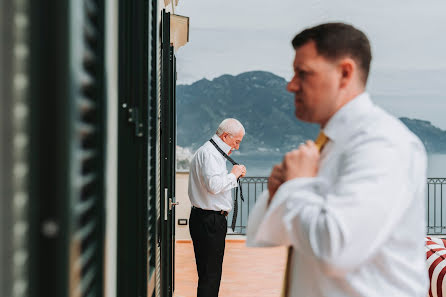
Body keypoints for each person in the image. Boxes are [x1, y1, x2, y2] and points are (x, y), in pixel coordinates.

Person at [246, 22, 428, 297]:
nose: (290, 85)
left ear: (345, 73)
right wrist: (278, 194)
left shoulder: (383, 144)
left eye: (303, 73)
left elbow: (336, 250)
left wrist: (296, 187)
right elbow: (290, 235)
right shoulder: (331, 144)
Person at [188, 118, 247, 297]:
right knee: (211, 276)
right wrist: (233, 175)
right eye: (236, 141)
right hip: (210, 221)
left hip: (205, 220)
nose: (237, 147)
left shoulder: (209, 151)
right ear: (226, 136)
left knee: (207, 274)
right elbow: (214, 186)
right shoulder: (211, 154)